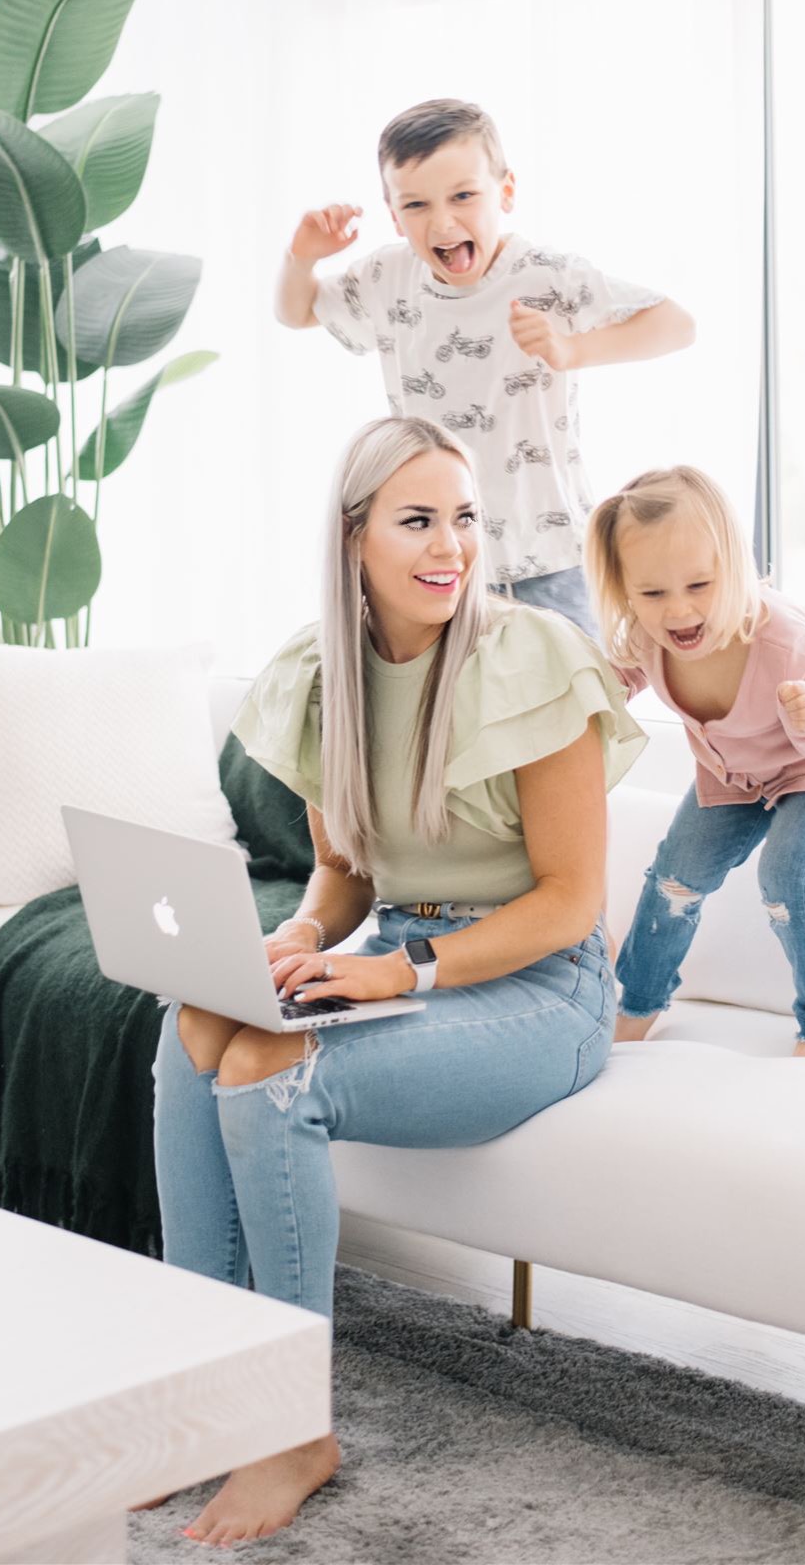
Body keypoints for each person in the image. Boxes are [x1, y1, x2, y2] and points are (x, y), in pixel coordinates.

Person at [154, 417, 645, 1547]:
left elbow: (571, 899)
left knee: (272, 1069)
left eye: (464, 517)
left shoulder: (533, 656)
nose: (451, 545)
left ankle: (291, 1425)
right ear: (353, 537)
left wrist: (399, 969)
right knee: (194, 1025)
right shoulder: (319, 676)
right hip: (402, 955)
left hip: (541, 986)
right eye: (418, 519)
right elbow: (341, 872)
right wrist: (292, 938)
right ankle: (199, 1393)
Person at [274, 97, 695, 634]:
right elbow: (297, 311)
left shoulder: (546, 276)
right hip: (437, 560)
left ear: (507, 192)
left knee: (568, 703)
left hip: (548, 555)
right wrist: (302, 258)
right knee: (448, 709)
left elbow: (677, 324)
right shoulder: (387, 278)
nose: (444, 222)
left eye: (464, 196)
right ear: (395, 216)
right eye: (417, 205)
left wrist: (572, 351)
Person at [584, 465, 805, 1058]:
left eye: (700, 586)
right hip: (737, 776)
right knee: (674, 876)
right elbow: (609, 683)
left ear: (734, 568)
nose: (678, 613)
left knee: (787, 876)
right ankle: (637, 1003)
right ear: (624, 591)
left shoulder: (781, 638)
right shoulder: (650, 636)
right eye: (652, 593)